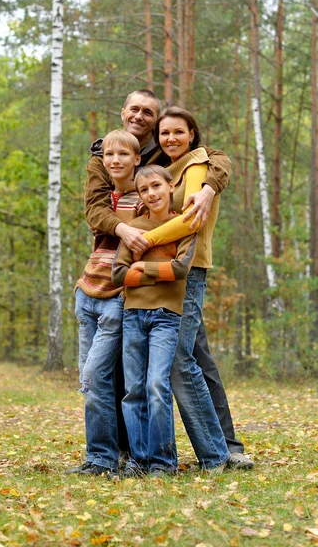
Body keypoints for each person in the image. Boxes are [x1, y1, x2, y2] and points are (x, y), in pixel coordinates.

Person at [85, 90, 253, 469]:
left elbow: (218, 159)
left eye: (150, 113)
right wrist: (127, 234)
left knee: (188, 359)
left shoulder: (175, 161)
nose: (141, 117)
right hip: (122, 275)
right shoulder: (106, 158)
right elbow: (94, 210)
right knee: (135, 372)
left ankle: (223, 448)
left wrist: (211, 187)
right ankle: (132, 452)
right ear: (123, 112)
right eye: (135, 110)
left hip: (176, 270)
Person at [112, 165, 224, 476]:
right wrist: (154, 271)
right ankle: (139, 460)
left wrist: (141, 268)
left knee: (156, 386)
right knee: (133, 390)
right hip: (133, 315)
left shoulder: (184, 225)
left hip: (166, 318)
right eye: (144, 190)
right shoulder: (134, 228)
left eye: (156, 186)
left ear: (169, 185)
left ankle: (163, 462)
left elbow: (179, 270)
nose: (152, 193)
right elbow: (118, 274)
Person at [69, 130, 141, 477]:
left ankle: (105, 458)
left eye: (123, 154)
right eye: (109, 155)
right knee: (91, 382)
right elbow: (97, 229)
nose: (115, 160)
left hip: (115, 299)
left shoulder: (143, 199)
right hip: (88, 293)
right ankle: (98, 456)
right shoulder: (102, 200)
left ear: (137, 160)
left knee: (95, 376)